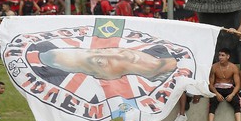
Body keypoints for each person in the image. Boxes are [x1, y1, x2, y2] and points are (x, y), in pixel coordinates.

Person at [37, 46, 177, 81]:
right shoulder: (160, 86)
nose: (117, 54)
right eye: (101, 62)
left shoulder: (165, 47)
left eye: (101, 50)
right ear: (104, 76)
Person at [207, 48, 241, 121]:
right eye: (219, 55)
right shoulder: (214, 67)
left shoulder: (233, 67)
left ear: (228, 56)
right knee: (212, 102)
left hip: (229, 88)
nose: (220, 57)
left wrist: (232, 94)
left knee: (236, 101)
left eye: (223, 55)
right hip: (217, 88)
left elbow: (238, 85)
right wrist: (216, 93)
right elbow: (210, 84)